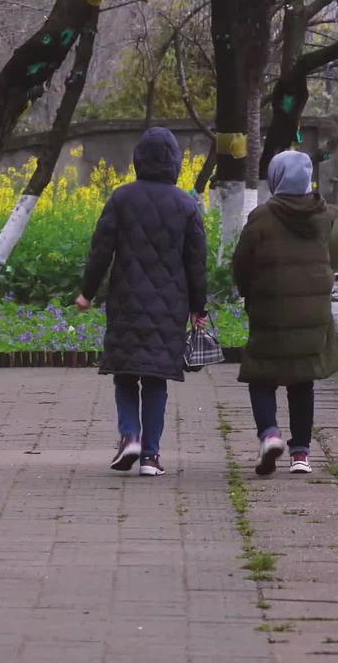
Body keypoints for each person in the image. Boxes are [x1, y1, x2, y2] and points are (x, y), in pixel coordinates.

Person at [76, 127, 208, 476]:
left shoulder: (121, 198)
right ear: (175, 163)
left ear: (138, 160)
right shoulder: (187, 205)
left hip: (125, 302)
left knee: (124, 373)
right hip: (170, 307)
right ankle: (150, 456)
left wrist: (87, 293)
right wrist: (199, 308)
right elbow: (197, 263)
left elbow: (100, 250)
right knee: (155, 379)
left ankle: (129, 435)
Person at [233, 150, 338, 477]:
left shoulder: (262, 217)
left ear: (277, 178)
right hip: (313, 314)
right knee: (302, 380)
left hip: (270, 310)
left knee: (260, 376)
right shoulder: (328, 216)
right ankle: (301, 454)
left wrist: (248, 293)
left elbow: (242, 263)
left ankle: (270, 434)